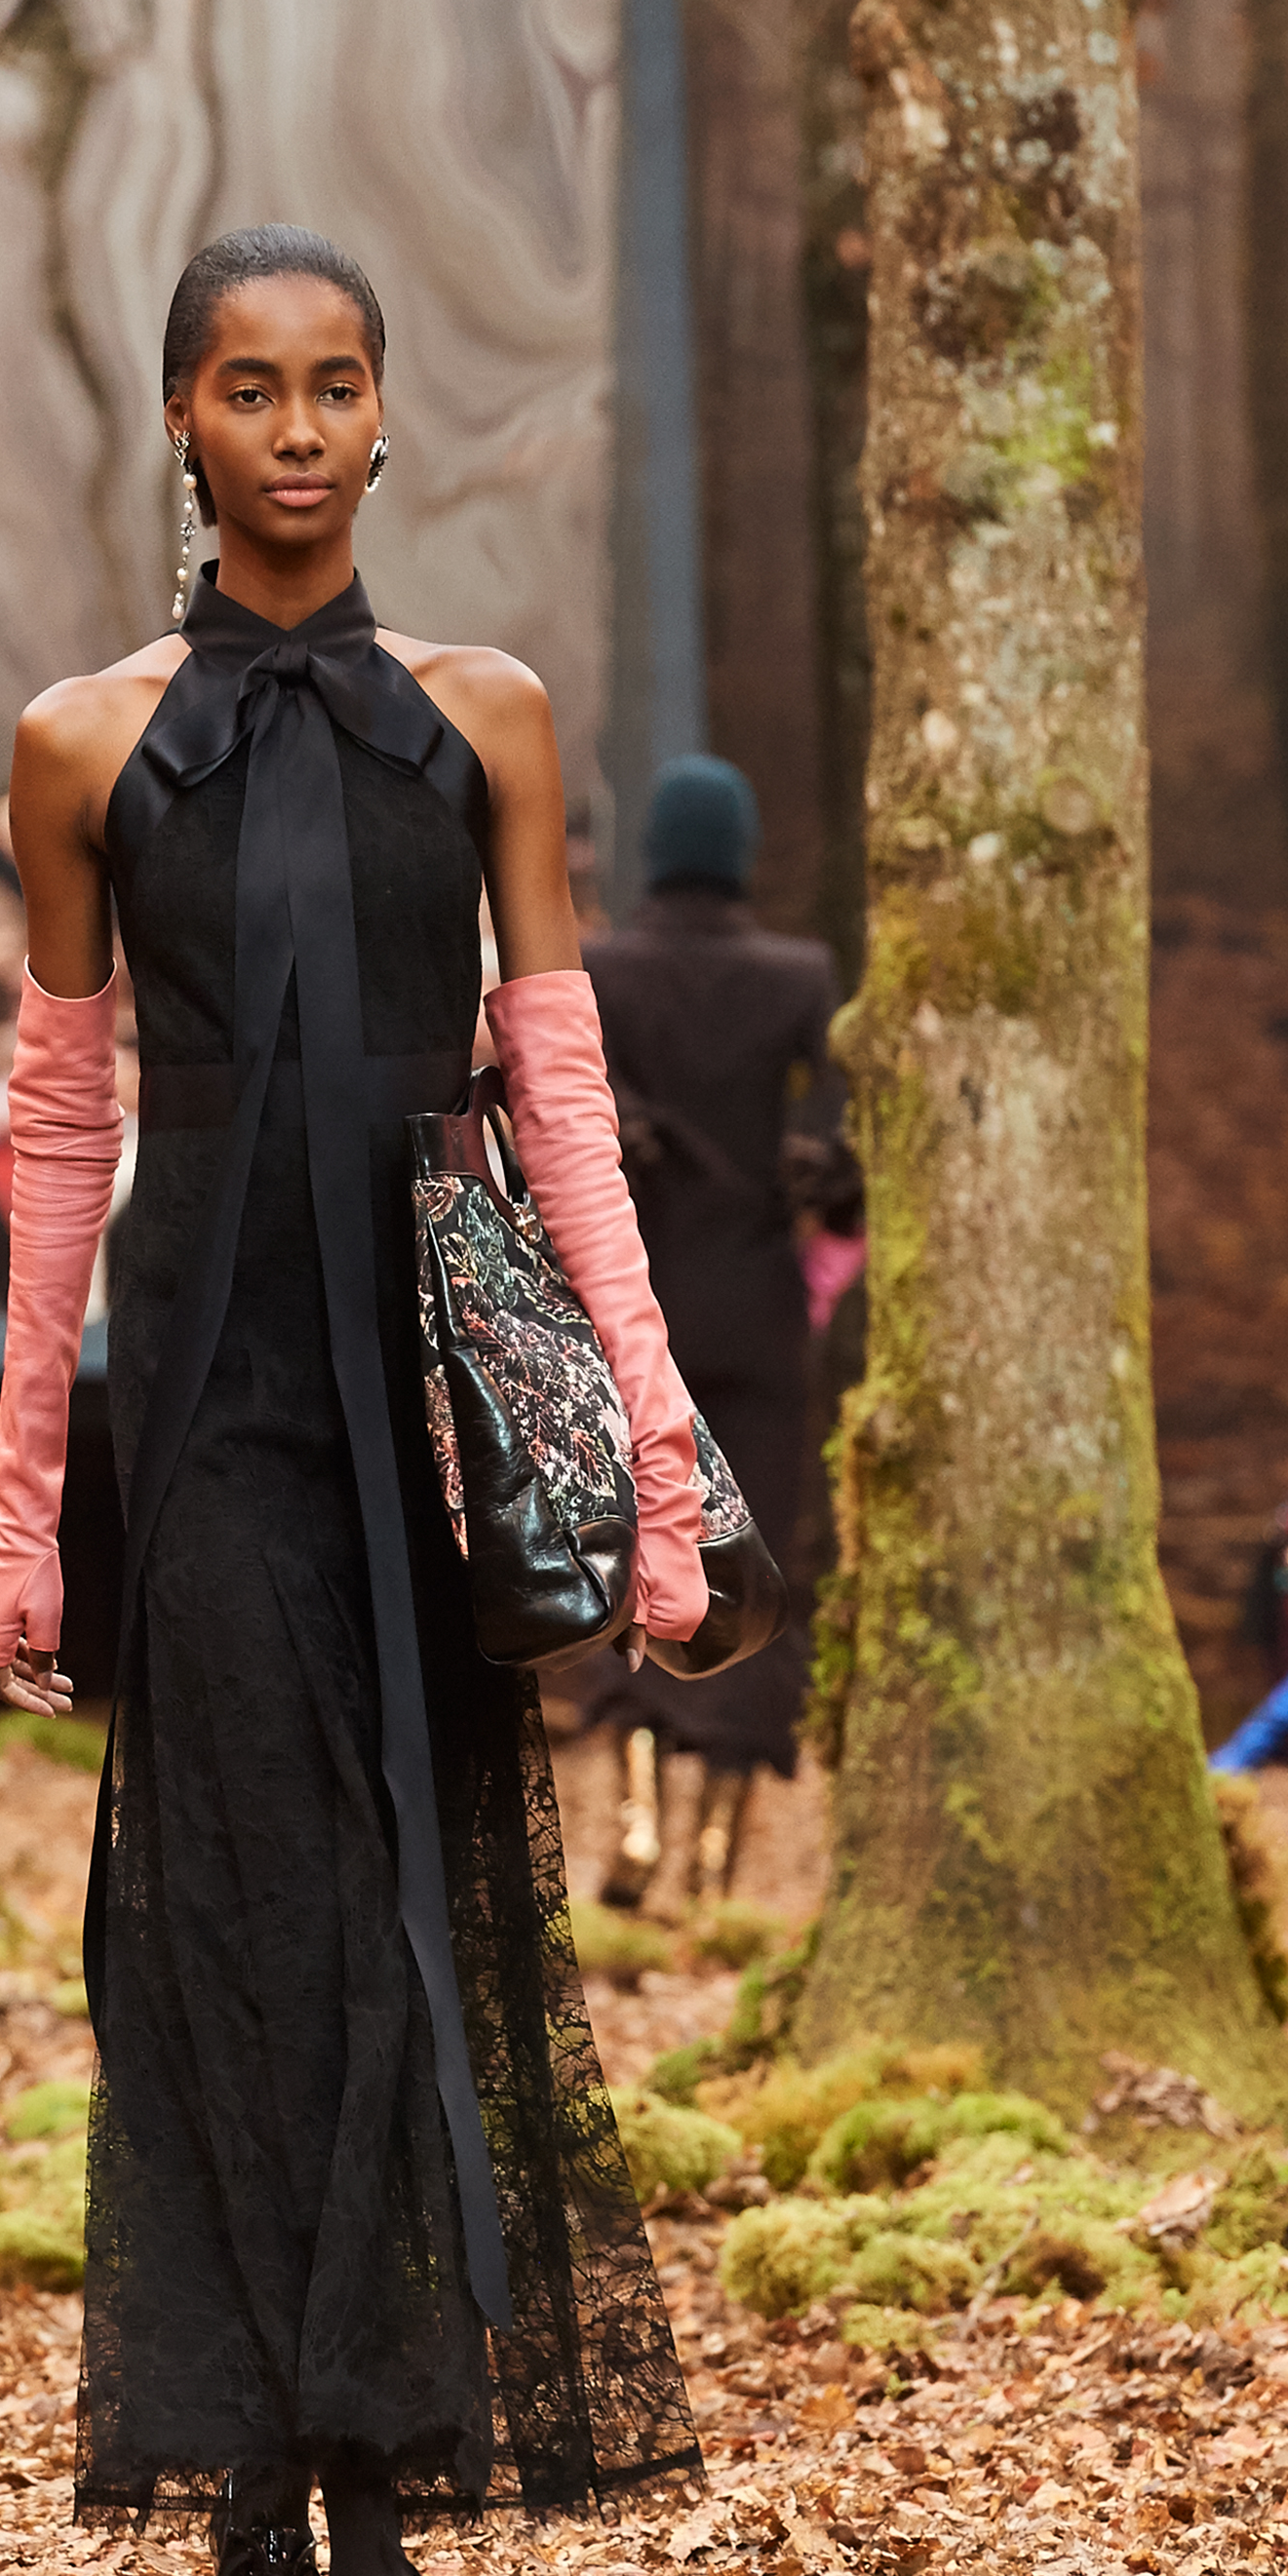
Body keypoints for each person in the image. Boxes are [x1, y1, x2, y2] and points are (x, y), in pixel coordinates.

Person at [0, 227, 706, 2576]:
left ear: (385, 417)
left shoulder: (486, 719)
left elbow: (564, 1099)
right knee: (233, 1925)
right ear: (180, 420)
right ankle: (279, 2473)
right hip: (202, 1393)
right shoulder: (78, 743)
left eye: (334, 383)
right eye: (247, 386)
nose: (294, 426)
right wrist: (22, 1509)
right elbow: (55, 1135)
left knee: (397, 1926)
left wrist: (653, 1442)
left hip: (422, 1402)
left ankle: (364, 2500)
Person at [579, 757, 851, 1908]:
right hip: (757, 1311)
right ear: (737, 851)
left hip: (634, 1310)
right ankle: (713, 1848)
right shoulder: (800, 975)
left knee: (632, 1542)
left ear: (654, 850)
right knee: (754, 1560)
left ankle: (636, 1816)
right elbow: (836, 1158)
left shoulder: (601, 969)